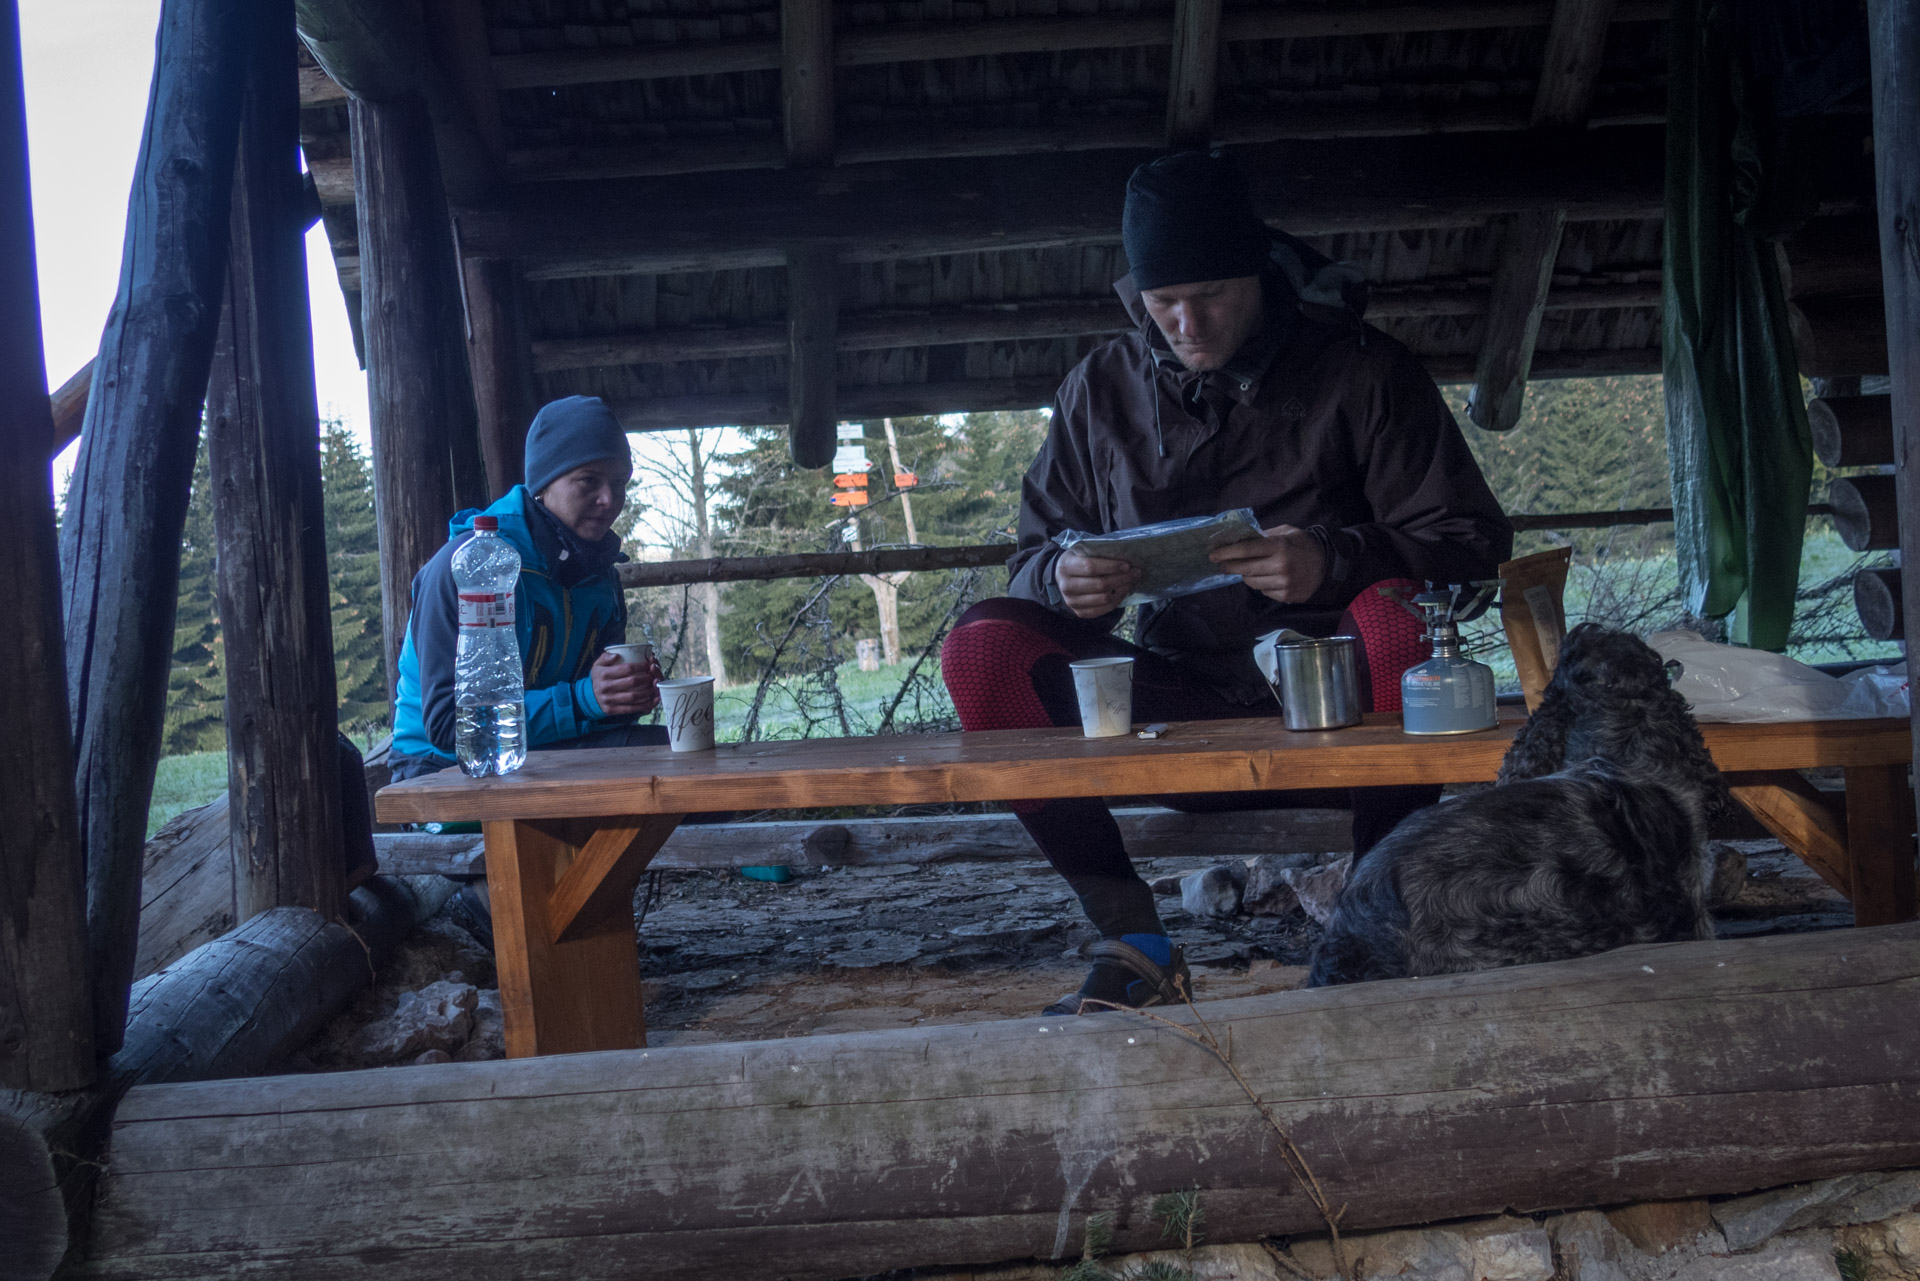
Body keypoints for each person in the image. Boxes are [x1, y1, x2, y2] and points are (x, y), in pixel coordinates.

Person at [940, 151, 1513, 1015]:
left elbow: (1471, 542)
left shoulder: (1362, 368)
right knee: (982, 645)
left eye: (1209, 294)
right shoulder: (1101, 389)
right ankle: (1133, 940)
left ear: (1258, 271)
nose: (1186, 322)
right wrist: (1063, 578)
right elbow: (1027, 558)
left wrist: (1334, 558)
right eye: (1162, 303)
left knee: (1394, 614)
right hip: (1178, 705)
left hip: (1347, 712)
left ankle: (1375, 922)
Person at [388, 394, 664, 785]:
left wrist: (625, 695)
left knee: (682, 770)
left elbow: (591, 705)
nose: (609, 500)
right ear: (544, 484)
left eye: (619, 483)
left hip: (542, 755)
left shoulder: (601, 574)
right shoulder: (467, 567)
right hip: (439, 769)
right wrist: (585, 699)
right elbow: (451, 727)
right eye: (589, 480)